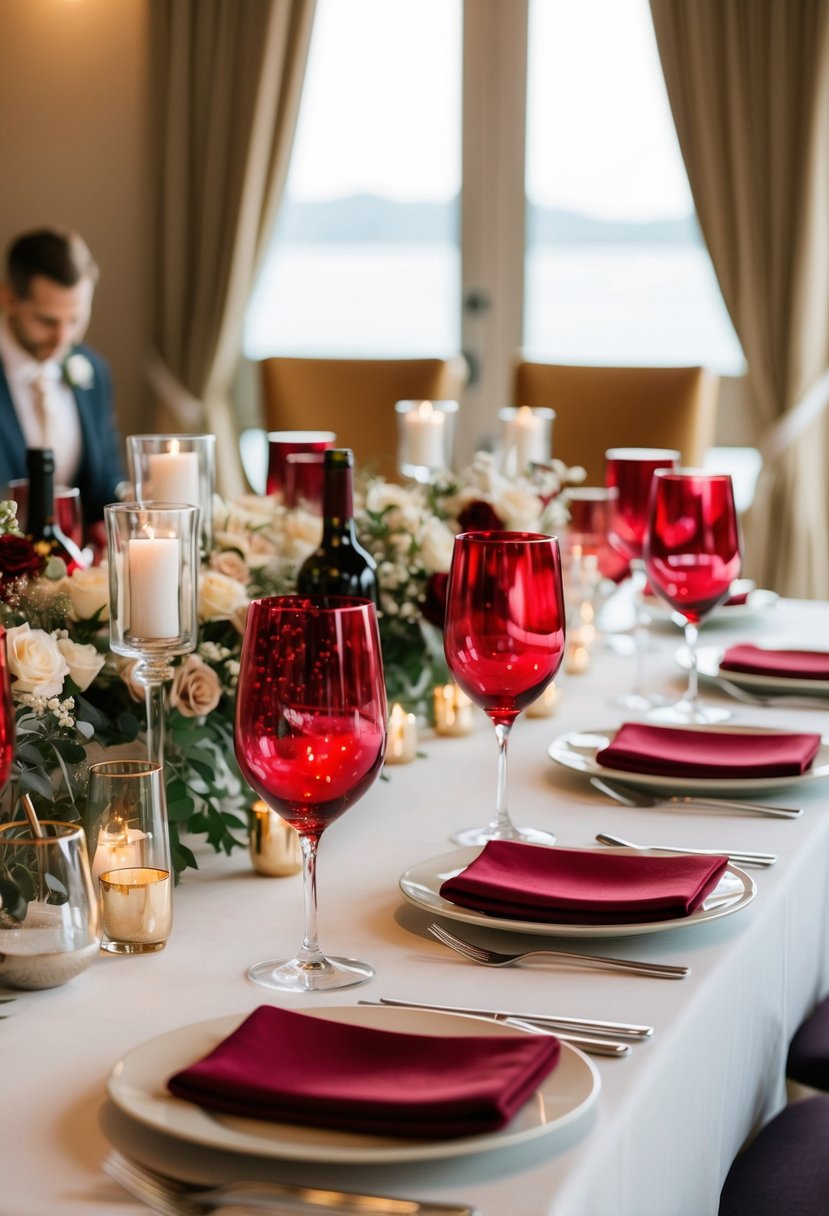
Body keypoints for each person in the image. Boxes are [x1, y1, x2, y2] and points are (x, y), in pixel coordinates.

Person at [0, 227, 125, 527]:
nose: (63, 339)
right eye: (47, 321)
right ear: (8, 299)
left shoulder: (93, 370)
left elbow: (107, 479)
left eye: (76, 319)